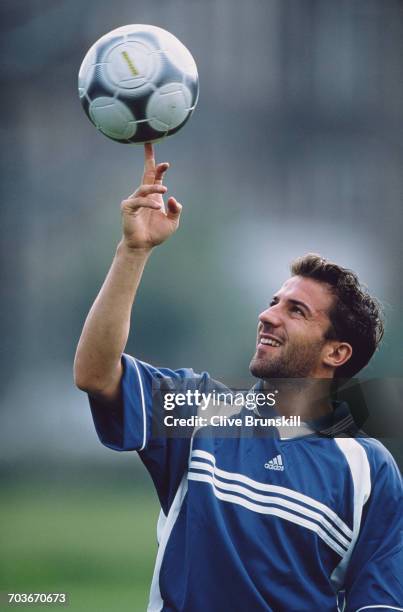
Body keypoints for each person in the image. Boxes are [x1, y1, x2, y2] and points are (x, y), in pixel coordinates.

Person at [74, 144, 403, 612]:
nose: (267, 316)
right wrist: (133, 249)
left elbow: (379, 603)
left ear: (337, 352)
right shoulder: (198, 409)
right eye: (273, 301)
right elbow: (94, 373)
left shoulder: (369, 471)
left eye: (295, 310)